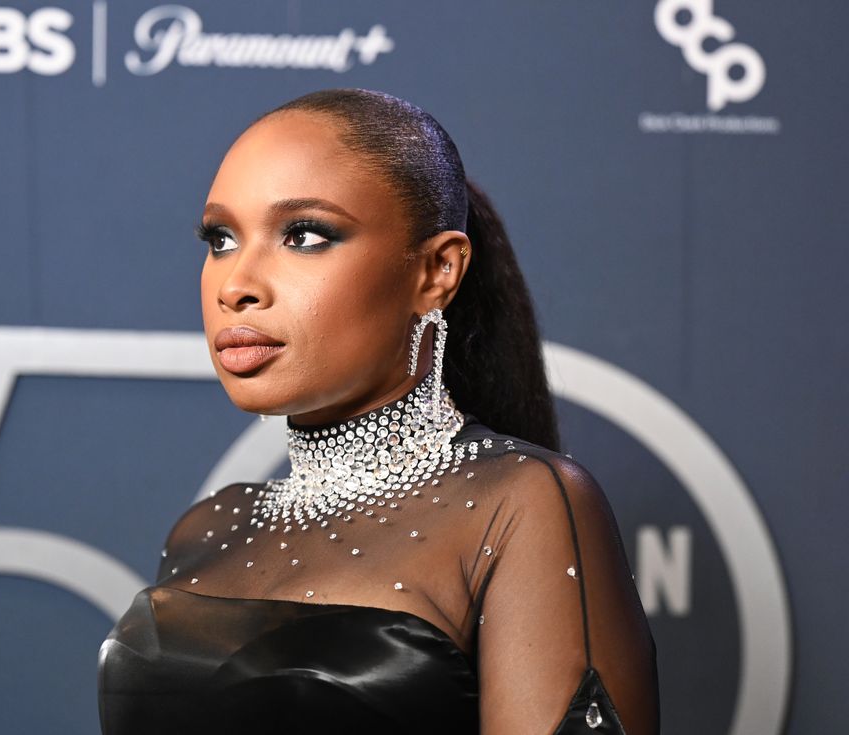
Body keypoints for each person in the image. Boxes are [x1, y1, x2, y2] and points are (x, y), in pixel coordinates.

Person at [97, 88, 659, 734]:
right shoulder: (208, 526)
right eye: (221, 238)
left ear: (437, 271)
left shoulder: (521, 507)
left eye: (304, 234)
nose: (236, 285)